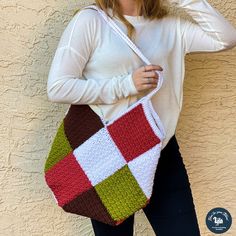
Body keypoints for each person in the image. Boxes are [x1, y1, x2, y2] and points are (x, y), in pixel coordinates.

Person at [46, 0, 236, 235]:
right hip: (108, 153)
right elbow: (58, 87)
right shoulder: (91, 21)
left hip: (159, 150)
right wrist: (125, 85)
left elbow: (225, 38)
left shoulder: (170, 26)